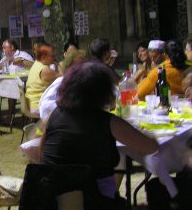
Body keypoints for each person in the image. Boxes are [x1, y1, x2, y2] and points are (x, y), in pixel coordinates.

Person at [42, 60, 158, 204]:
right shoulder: (108, 121)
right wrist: (148, 133)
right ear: (104, 92)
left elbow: (42, 153)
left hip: (51, 198)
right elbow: (151, 147)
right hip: (94, 199)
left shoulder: (53, 115)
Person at [0, 39, 33, 121]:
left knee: (11, 88)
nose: (3, 50)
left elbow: (33, 65)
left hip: (24, 84)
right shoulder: (5, 57)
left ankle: (12, 115)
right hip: (8, 83)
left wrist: (22, 61)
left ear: (11, 47)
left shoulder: (23, 55)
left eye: (4, 48)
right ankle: (8, 115)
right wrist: (5, 61)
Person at [25, 43, 61, 112]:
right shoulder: (44, 70)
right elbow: (63, 79)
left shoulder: (36, 63)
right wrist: (57, 64)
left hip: (33, 102)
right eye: (52, 56)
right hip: (39, 105)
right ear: (44, 56)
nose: (54, 58)